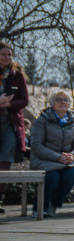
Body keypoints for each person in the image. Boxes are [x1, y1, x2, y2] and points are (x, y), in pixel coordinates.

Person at [29, 91, 74, 218]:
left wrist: (73, 156)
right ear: (52, 104)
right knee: (53, 176)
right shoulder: (42, 120)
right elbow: (36, 145)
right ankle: (39, 207)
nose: (63, 102)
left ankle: (54, 203)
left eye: (66, 100)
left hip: (65, 160)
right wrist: (57, 157)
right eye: (59, 99)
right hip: (44, 158)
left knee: (73, 173)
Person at [0, 42, 29, 171]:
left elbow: (24, 100)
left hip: (10, 122)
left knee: (7, 155)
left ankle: (1, 190)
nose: (7, 57)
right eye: (3, 54)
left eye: (9, 55)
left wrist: (9, 103)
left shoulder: (17, 75)